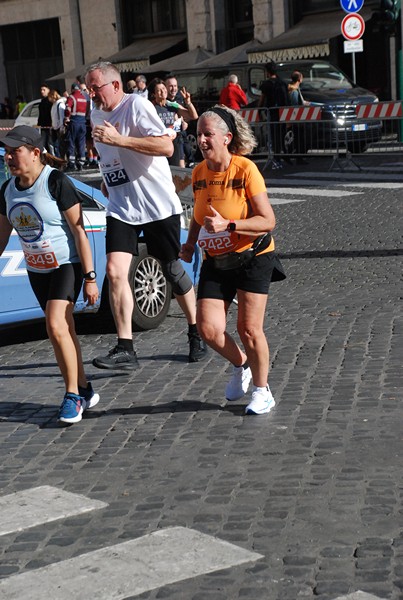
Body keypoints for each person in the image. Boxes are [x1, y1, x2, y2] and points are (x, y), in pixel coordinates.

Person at [84, 61, 207, 367]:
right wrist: (107, 174)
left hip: (156, 205)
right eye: (87, 89)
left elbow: (166, 146)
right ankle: (126, 347)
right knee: (114, 271)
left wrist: (120, 140)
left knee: (171, 270)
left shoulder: (137, 105)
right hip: (122, 206)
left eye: (94, 88)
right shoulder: (95, 111)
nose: (91, 94)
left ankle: (195, 330)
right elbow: (108, 152)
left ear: (115, 85)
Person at [180, 105, 286, 415]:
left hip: (253, 256)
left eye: (207, 134)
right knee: (208, 328)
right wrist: (189, 244)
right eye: (198, 134)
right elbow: (199, 216)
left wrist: (229, 225)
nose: (201, 140)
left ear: (227, 138)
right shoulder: (198, 173)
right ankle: (242, 365)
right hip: (216, 259)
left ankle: (263, 391)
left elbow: (268, 220)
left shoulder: (244, 170)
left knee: (249, 329)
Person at [0, 125, 100, 424]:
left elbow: (79, 231)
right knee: (62, 332)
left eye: (15, 151)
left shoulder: (55, 181)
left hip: (66, 265)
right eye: (6, 152)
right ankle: (83, 388)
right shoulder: (6, 190)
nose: (9, 157)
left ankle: (71, 396)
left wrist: (91, 277)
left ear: (34, 153)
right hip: (37, 270)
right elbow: (2, 235)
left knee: (55, 325)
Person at [147, 78, 198, 168]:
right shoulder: (151, 107)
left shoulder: (172, 105)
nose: (163, 92)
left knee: (178, 170)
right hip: (160, 145)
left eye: (163, 89)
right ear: (153, 94)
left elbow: (193, 116)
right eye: (159, 90)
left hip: (175, 143)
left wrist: (188, 102)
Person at [258, 60, 290, 169]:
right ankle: (285, 155)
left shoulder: (266, 84)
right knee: (282, 134)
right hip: (283, 112)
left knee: (274, 135)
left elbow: (262, 99)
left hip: (272, 112)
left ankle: (277, 158)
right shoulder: (283, 83)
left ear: (267, 72)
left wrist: (259, 110)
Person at [165, 75, 197, 167]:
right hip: (164, 142)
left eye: (175, 86)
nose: (173, 88)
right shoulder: (160, 103)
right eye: (170, 86)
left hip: (178, 137)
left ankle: (191, 161)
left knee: (180, 168)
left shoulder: (176, 100)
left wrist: (188, 103)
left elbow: (193, 116)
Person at [64, 83, 89, 171]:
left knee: (71, 143)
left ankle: (71, 163)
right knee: (81, 143)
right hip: (83, 123)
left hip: (74, 123)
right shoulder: (84, 98)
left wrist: (67, 117)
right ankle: (81, 163)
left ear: (72, 89)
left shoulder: (71, 97)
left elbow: (67, 108)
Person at [288, 71, 309, 165]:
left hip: (297, 118)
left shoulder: (294, 89)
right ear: (299, 79)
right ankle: (299, 157)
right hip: (297, 118)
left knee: (299, 137)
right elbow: (295, 105)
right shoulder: (294, 91)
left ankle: (299, 157)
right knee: (299, 137)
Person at [48, 89, 67, 160]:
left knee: (61, 147)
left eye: (50, 97)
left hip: (59, 128)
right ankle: (59, 160)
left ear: (53, 96)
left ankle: (63, 161)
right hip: (55, 128)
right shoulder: (54, 104)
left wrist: (62, 127)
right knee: (56, 146)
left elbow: (61, 116)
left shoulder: (60, 104)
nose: (49, 99)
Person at [37, 84, 53, 153]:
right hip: (43, 126)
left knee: (50, 144)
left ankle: (53, 159)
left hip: (50, 126)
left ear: (48, 90)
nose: (42, 91)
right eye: (41, 90)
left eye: (44, 90)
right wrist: (39, 123)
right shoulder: (42, 101)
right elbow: (41, 114)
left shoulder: (50, 101)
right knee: (43, 144)